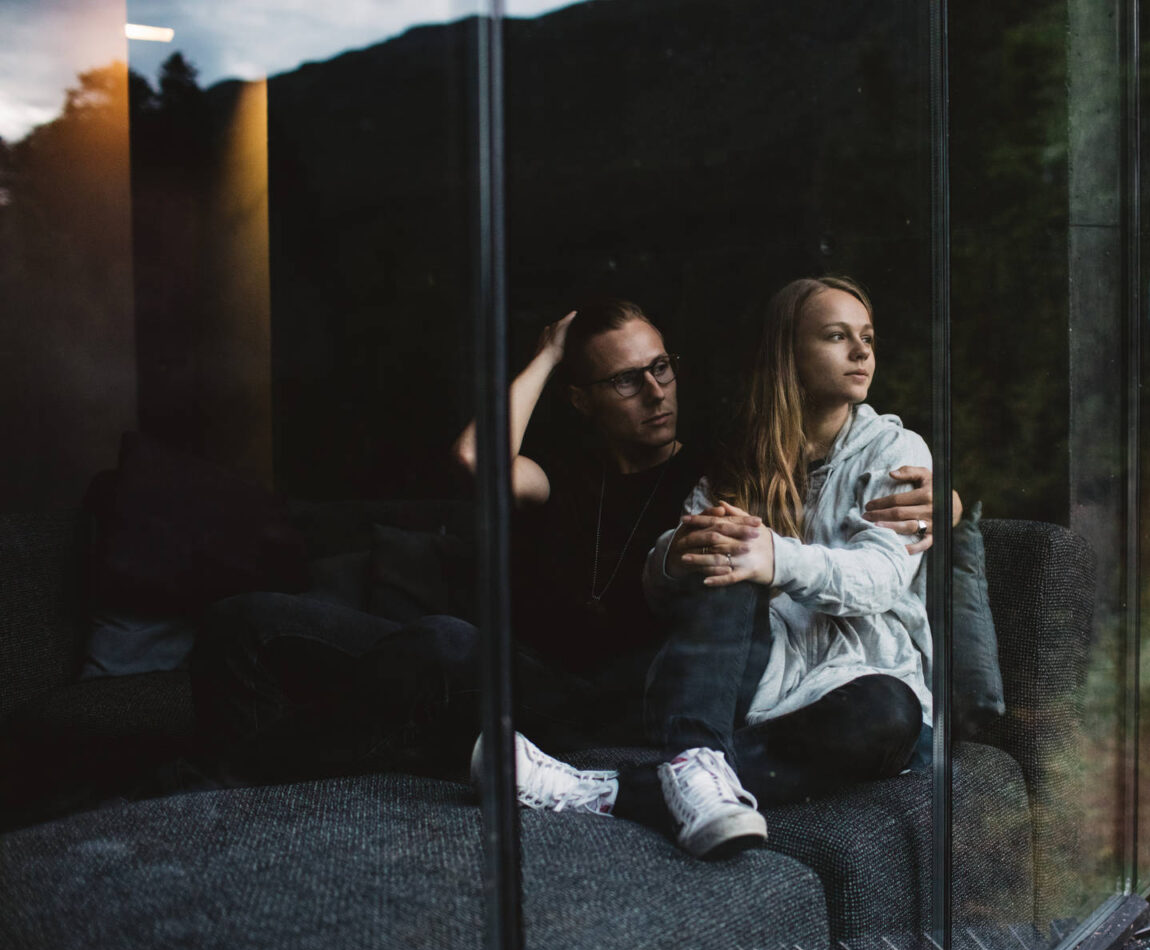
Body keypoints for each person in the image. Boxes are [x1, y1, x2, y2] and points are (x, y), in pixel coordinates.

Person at [192, 296, 945, 783]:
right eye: (626, 380)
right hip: (524, 672)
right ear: (582, 400)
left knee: (440, 643)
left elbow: (819, 478)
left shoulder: (714, 466)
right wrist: (549, 355)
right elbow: (475, 460)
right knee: (244, 621)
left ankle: (234, 782)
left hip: (613, 692)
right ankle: (235, 805)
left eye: (662, 369)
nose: (656, 392)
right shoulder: (560, 475)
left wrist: (943, 500)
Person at [509, 277, 939, 860]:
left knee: (890, 711)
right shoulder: (741, 456)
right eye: (837, 337)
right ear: (788, 354)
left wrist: (775, 556)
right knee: (724, 553)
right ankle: (697, 762)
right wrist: (672, 556)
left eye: (867, 337)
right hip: (758, 689)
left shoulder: (896, 451)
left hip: (856, 691)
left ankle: (605, 790)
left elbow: (882, 578)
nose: (862, 352)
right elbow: (671, 570)